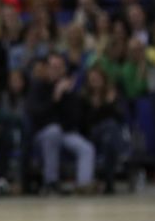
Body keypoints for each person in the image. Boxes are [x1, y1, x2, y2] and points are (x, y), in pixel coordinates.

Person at [27, 54, 95, 194]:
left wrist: (68, 96)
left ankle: (83, 186)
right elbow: (37, 115)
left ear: (64, 70)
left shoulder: (70, 91)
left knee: (86, 148)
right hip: (43, 134)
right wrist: (55, 98)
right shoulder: (38, 87)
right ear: (46, 69)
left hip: (66, 133)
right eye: (53, 67)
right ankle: (51, 183)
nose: (56, 71)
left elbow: (76, 119)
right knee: (53, 131)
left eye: (59, 67)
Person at [80, 67, 127, 194]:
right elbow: (87, 122)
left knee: (108, 141)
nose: (95, 81)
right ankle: (123, 152)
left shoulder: (112, 94)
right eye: (92, 79)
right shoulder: (84, 97)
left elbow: (121, 117)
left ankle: (109, 183)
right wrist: (104, 105)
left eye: (97, 79)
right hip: (91, 136)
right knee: (110, 125)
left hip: (108, 137)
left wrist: (109, 103)